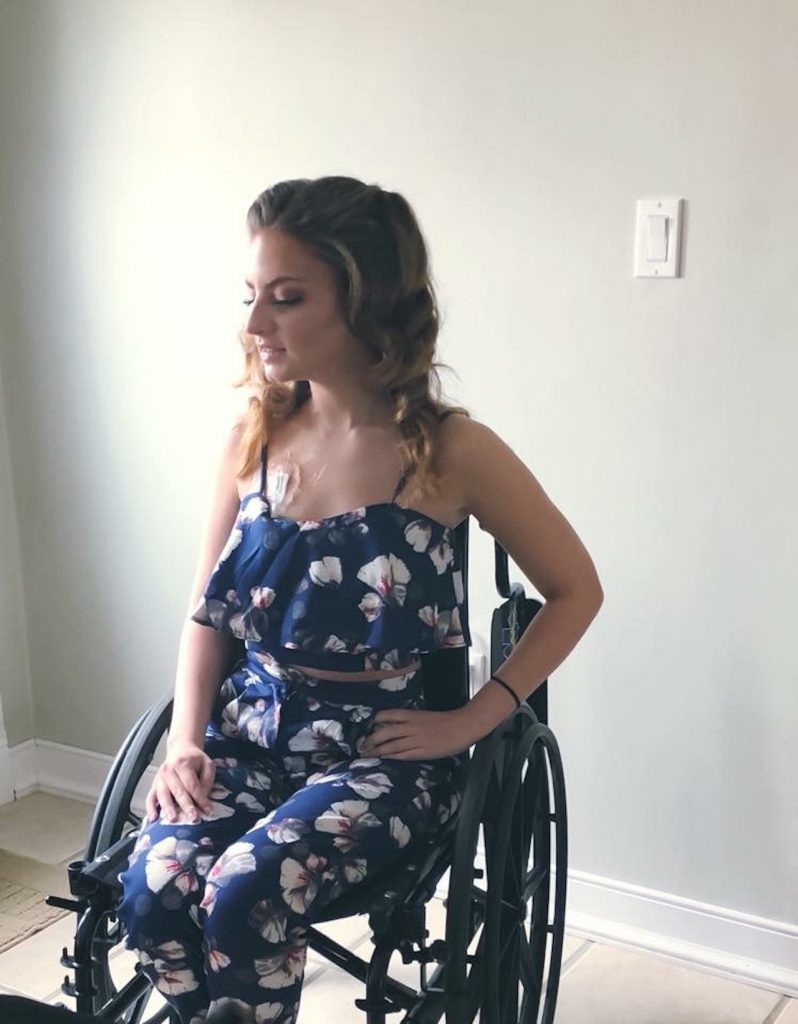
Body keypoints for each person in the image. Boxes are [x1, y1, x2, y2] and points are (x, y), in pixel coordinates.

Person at [116, 175, 604, 1024]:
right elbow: (207, 615)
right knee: (154, 891)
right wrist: (185, 744)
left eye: (288, 298)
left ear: (366, 301)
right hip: (249, 733)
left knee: (242, 892)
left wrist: (473, 718)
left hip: (384, 754)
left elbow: (575, 590)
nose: (254, 324)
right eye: (251, 297)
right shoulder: (252, 437)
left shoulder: (452, 450)